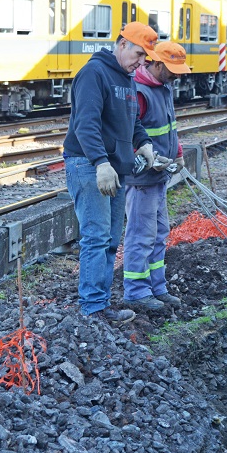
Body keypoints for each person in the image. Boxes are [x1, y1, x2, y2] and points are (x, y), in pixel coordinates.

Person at [62, 22, 163, 323]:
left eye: (145, 58)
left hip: (115, 168)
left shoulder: (127, 78)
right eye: (138, 54)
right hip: (89, 164)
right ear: (121, 44)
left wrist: (143, 143)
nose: (141, 62)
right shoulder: (94, 73)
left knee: (108, 240)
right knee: (95, 237)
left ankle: (100, 303)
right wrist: (100, 163)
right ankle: (92, 308)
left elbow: (132, 121)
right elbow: (86, 124)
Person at [121, 41, 191, 311]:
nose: (177, 75)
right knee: (141, 234)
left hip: (159, 175)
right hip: (142, 180)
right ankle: (137, 292)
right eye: (173, 69)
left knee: (159, 232)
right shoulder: (138, 92)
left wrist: (178, 152)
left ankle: (156, 286)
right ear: (156, 63)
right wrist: (147, 158)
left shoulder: (164, 87)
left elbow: (169, 127)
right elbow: (127, 136)